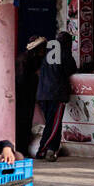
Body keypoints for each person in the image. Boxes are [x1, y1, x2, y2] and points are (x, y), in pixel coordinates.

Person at [35, 31, 77, 162]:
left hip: (43, 93)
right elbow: (71, 69)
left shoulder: (47, 52)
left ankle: (50, 149)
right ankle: (44, 150)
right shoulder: (64, 53)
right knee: (53, 125)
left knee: (51, 123)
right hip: (56, 94)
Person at [15, 35, 46, 156]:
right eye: (42, 49)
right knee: (23, 124)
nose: (44, 51)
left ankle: (22, 148)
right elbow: (22, 80)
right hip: (23, 98)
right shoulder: (25, 61)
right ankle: (21, 149)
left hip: (27, 97)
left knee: (25, 124)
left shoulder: (28, 59)